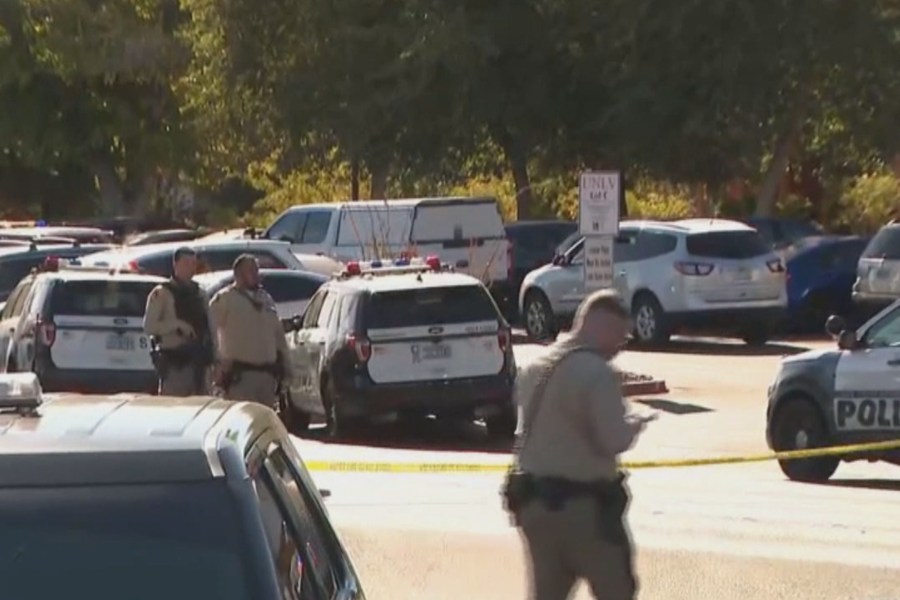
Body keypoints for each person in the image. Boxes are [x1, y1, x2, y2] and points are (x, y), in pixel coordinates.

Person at [503, 289, 656, 600]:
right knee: (617, 590)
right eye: (621, 336)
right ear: (606, 327)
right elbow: (613, 439)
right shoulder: (596, 373)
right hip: (586, 510)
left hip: (535, 507)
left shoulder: (536, 368)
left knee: (547, 594)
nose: (619, 347)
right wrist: (635, 425)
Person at [209, 254, 292, 406]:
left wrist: (287, 367)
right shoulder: (225, 299)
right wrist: (216, 365)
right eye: (250, 270)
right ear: (238, 274)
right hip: (240, 378)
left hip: (267, 376)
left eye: (256, 270)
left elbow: (278, 335)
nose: (255, 274)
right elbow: (209, 330)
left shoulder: (265, 299)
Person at [143, 247, 215, 396]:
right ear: (175, 265)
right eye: (186, 263)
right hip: (176, 364)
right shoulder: (162, 293)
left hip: (199, 364)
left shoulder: (200, 294)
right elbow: (149, 326)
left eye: (194, 264)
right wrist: (176, 325)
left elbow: (211, 326)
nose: (191, 268)